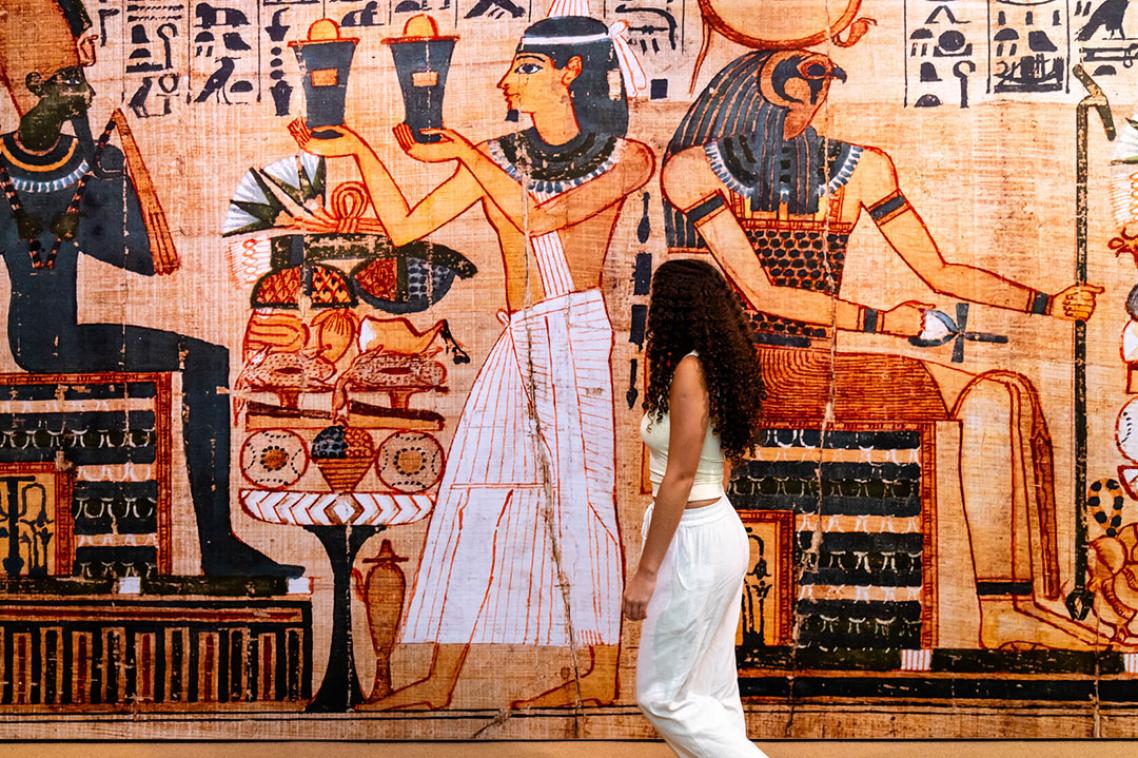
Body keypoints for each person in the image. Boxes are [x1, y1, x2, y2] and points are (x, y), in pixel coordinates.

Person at [660, 49, 1105, 649]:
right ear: (769, 93)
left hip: (824, 362)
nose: (816, 103)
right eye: (805, 88)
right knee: (992, 399)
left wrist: (1048, 303)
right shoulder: (694, 170)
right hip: (756, 366)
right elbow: (762, 294)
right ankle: (1001, 612)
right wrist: (885, 322)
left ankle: (1015, 603)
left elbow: (937, 269)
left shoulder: (861, 167)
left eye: (821, 89)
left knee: (1004, 391)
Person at [290, 13, 655, 708]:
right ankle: (439, 683)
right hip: (520, 338)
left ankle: (603, 675)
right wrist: (361, 149)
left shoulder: (627, 155)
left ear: (569, 73)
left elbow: (542, 218)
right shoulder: (501, 155)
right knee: (471, 496)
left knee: (582, 500)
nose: (505, 81)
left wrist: (462, 149)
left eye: (523, 69)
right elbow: (404, 227)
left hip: (572, 333)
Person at [0, 56, 300, 577]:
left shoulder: (89, 158)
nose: (86, 95)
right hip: (35, 340)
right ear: (32, 84)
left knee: (207, 359)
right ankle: (217, 548)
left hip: (70, 337)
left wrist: (111, 192)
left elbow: (143, 259)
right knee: (204, 359)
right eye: (72, 82)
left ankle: (218, 544)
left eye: (86, 84)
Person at [625, 257, 767, 758]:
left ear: (675, 307)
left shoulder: (691, 369)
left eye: (656, 301)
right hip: (711, 528)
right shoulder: (711, 364)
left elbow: (681, 477)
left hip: (695, 536)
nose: (649, 310)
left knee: (662, 696)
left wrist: (646, 571)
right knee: (708, 688)